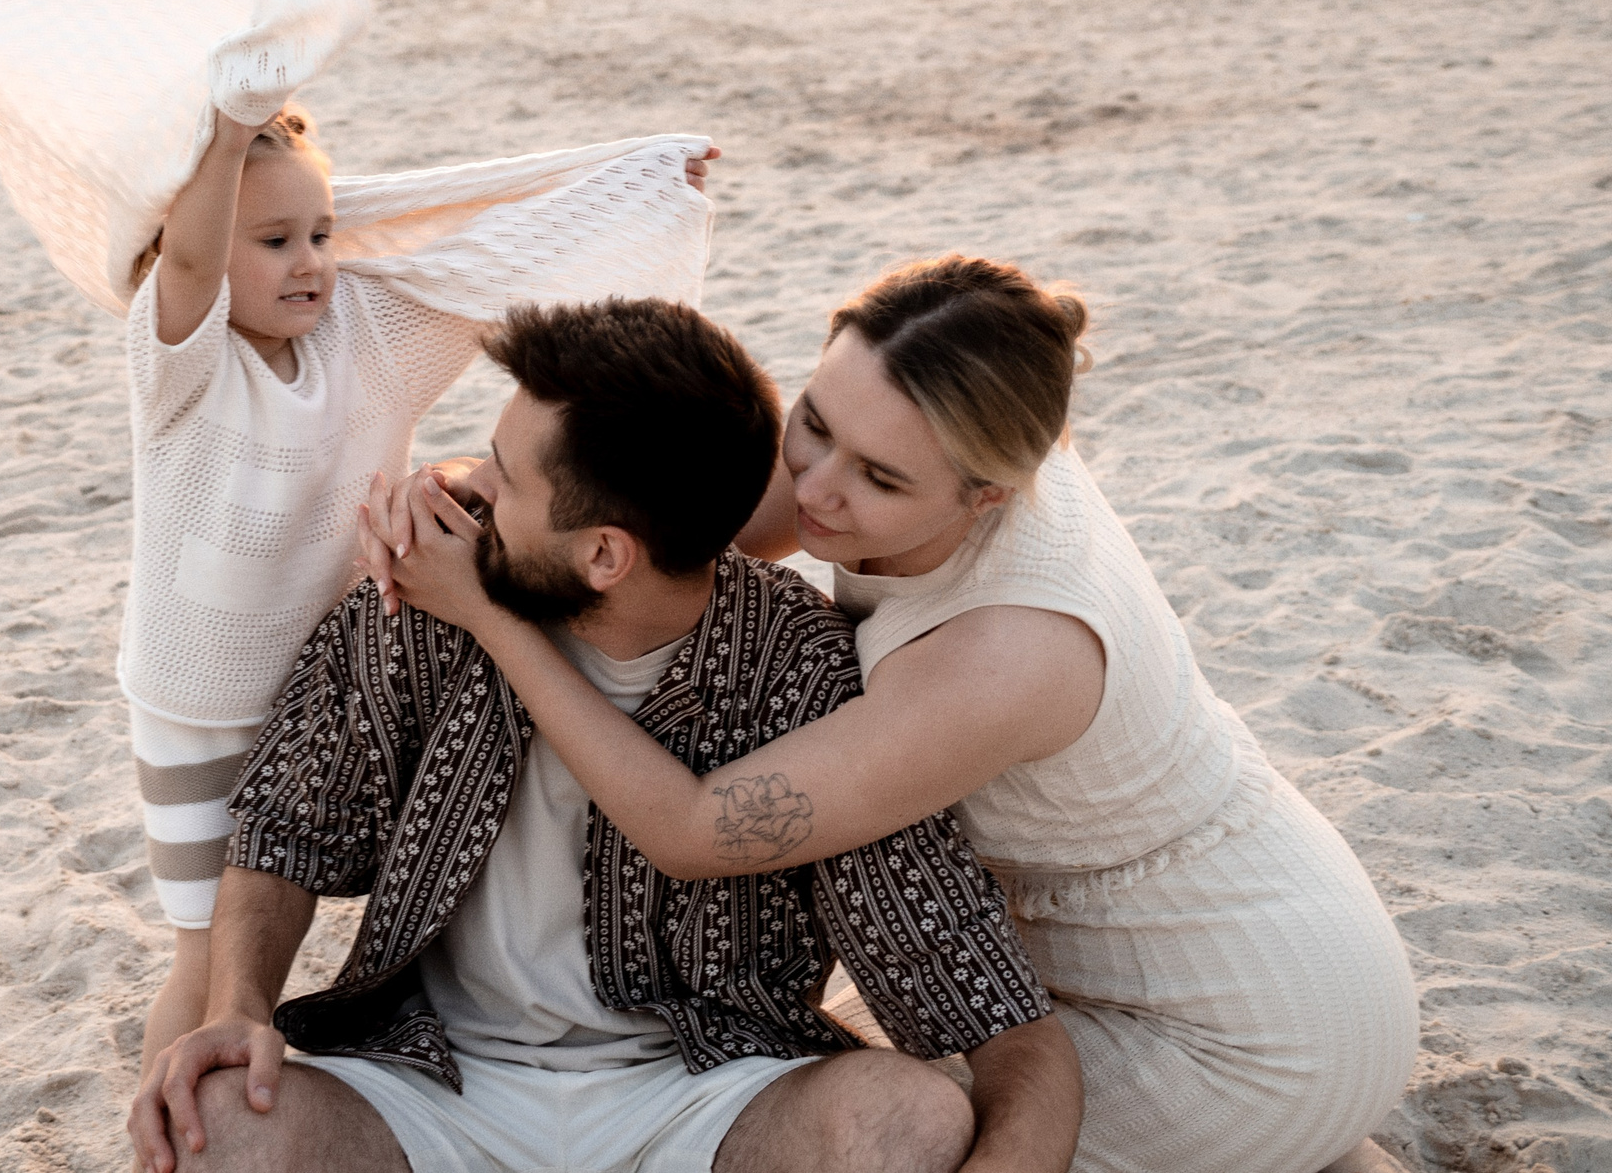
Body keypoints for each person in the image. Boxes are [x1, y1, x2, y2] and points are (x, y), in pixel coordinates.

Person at [367, 256, 1417, 1173]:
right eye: (813, 421)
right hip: (1165, 940)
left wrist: (493, 619)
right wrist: (489, 483)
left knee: (908, 1127)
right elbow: (691, 515)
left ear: (987, 496)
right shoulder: (940, 423)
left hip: (1241, 1031)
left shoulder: (1006, 649)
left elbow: (694, 831)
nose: (814, 488)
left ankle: (1297, 1140)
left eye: (874, 477)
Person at [132, 297, 1081, 1173]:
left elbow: (983, 999)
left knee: (908, 1117)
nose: (466, 490)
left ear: (603, 553)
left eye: (503, 479)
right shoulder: (419, 600)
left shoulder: (803, 672)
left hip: (704, 1091)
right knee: (215, 1125)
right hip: (436, 1081)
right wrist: (238, 1006)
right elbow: (286, 831)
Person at [122, 105, 717, 1079]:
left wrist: (642, 194)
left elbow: (499, 269)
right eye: (273, 241)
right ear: (189, 251)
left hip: (334, 701)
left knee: (288, 930)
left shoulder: (367, 331)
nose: (310, 260)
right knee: (213, 964)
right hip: (198, 716)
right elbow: (188, 268)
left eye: (321, 231)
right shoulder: (184, 365)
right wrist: (225, 138)